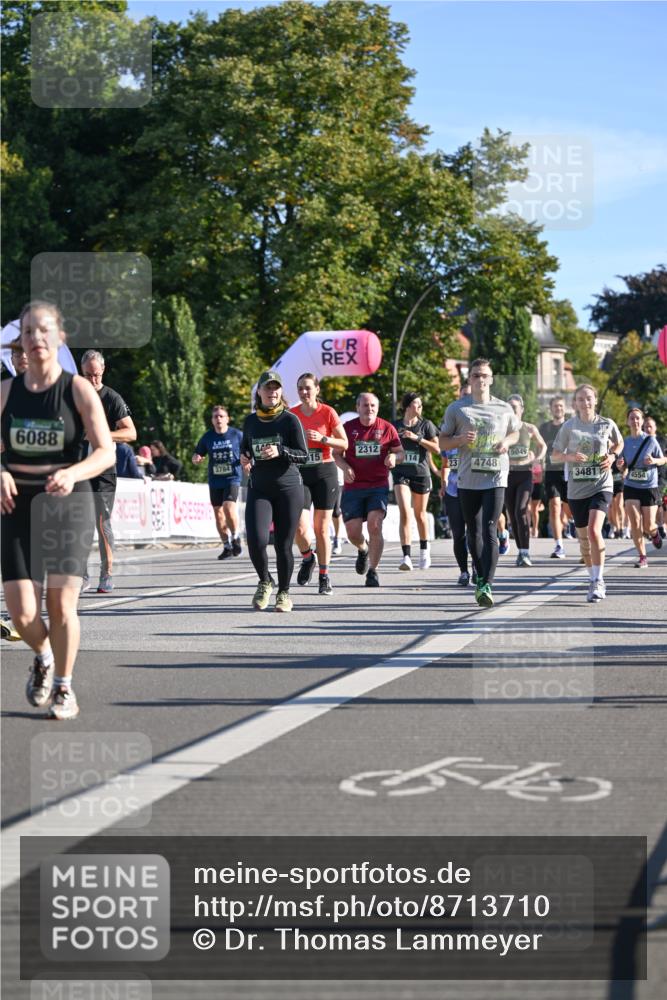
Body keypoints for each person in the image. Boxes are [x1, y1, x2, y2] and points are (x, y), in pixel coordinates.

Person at [1, 302, 115, 719]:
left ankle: (65, 688)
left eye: (43, 331)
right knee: (22, 612)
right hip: (18, 503)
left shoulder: (78, 389)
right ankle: (44, 654)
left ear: (59, 337)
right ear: (21, 342)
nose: (35, 339)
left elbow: (105, 452)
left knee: (61, 605)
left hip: (69, 503)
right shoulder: (6, 392)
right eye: (28, 332)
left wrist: (73, 472)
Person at [439, 358, 521, 608]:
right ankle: (479, 573)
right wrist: (460, 439)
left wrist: (507, 442)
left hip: (496, 475)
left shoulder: (504, 408)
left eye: (485, 375)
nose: (481, 379)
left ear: (492, 379)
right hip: (467, 477)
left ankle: (486, 583)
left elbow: (516, 432)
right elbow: (442, 442)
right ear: (469, 379)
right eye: (476, 375)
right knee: (472, 532)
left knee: (489, 526)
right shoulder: (457, 409)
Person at [240, 371, 307, 612]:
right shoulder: (250, 422)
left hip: (288, 489)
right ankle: (265, 580)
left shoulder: (290, 420)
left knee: (283, 545)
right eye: (267, 388)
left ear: (280, 391)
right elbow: (245, 451)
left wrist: (281, 451)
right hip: (259, 488)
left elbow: (303, 455)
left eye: (276, 388)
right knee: (256, 541)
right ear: (259, 392)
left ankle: (284, 593)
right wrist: (244, 459)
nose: (272, 392)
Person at [551, 383, 623, 602]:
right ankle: (591, 578)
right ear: (575, 403)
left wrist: (612, 457)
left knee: (594, 531)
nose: (585, 402)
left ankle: (599, 580)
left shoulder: (606, 423)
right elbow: (554, 455)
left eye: (589, 398)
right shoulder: (569, 427)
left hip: (601, 484)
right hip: (576, 488)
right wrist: (570, 457)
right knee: (584, 540)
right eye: (581, 399)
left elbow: (619, 444)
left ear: (595, 400)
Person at [80, 349, 136, 594]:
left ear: (102, 370)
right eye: (87, 375)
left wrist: (101, 435)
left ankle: (107, 573)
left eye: (96, 374)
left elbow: (131, 433)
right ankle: (81, 576)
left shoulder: (111, 397)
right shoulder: (74, 396)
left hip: (103, 469)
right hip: (79, 469)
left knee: (101, 523)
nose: (92, 380)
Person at [334, 392, 404, 587]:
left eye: (373, 405)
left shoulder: (387, 428)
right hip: (354, 486)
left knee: (375, 525)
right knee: (352, 532)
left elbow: (400, 453)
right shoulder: (348, 428)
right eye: (365, 405)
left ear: (377, 408)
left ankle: (373, 571)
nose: (369, 408)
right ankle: (363, 549)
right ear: (358, 408)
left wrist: (394, 458)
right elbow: (336, 454)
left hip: (377, 485)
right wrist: (345, 467)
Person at [290, 374, 348, 595]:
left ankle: (324, 575)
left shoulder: (327, 412)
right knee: (298, 525)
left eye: (307, 388)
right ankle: (307, 557)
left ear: (317, 389)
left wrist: (323, 439)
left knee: (321, 528)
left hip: (324, 471)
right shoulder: (292, 415)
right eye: (300, 389)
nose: (304, 393)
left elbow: (344, 443)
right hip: (300, 472)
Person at [392, 392, 440, 571]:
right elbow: (387, 446)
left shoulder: (426, 425)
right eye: (416, 404)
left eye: (420, 405)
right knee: (405, 511)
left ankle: (424, 551)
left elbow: (437, 449)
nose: (419, 407)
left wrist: (417, 438)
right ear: (407, 406)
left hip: (421, 473)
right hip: (401, 472)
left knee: (420, 514)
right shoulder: (395, 426)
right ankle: (406, 557)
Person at [193, 405, 244, 559]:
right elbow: (198, 453)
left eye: (221, 416)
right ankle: (227, 546)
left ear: (227, 419)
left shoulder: (237, 435)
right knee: (218, 515)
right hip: (215, 480)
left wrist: (248, 461)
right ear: (212, 420)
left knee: (228, 508)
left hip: (232, 478)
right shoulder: (207, 437)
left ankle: (235, 536)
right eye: (216, 417)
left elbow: (248, 450)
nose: (219, 419)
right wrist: (196, 458)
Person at [618, 406, 665, 567]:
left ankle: (654, 533)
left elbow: (664, 459)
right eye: (632, 418)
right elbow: (623, 467)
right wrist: (620, 465)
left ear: (642, 421)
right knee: (635, 523)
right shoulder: (624, 442)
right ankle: (642, 556)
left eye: (638, 418)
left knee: (648, 525)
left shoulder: (651, 440)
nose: (635, 420)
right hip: (631, 485)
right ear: (627, 422)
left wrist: (654, 461)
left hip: (649, 486)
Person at [505, 395, 547, 567]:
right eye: (509, 407)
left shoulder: (529, 428)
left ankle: (525, 552)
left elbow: (543, 445)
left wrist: (537, 459)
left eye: (515, 407)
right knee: (512, 516)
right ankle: (520, 552)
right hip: (507, 475)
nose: (512, 410)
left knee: (521, 510)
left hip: (524, 473)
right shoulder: (503, 429)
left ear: (522, 409)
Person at [539, 396, 573, 558]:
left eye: (560, 406)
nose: (558, 409)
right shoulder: (544, 428)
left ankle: (569, 524)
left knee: (570, 510)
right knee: (554, 506)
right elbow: (540, 448)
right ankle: (559, 545)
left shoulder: (572, 426)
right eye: (555, 406)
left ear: (564, 408)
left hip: (570, 473)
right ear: (551, 409)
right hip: (552, 472)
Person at [643, 415, 667, 538]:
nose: (648, 429)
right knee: (648, 503)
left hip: (660, 476)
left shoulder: (662, 440)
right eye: (645, 426)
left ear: (655, 428)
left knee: (658, 501)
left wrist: (656, 460)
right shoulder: (640, 440)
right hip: (644, 477)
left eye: (650, 426)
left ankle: (660, 526)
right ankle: (650, 526)